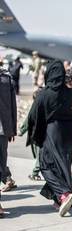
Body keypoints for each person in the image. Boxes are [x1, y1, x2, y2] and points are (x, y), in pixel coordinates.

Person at [27, 60, 72, 217]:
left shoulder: (44, 94)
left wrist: (34, 134)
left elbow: (34, 116)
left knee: (46, 166)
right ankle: (59, 200)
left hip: (54, 132)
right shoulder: (71, 92)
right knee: (63, 165)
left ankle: (64, 195)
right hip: (71, 133)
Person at [0, 68, 17, 217]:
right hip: (3, 130)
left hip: (3, 130)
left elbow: (12, 106)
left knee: (1, 164)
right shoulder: (7, 79)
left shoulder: (7, 80)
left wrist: (12, 128)